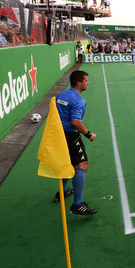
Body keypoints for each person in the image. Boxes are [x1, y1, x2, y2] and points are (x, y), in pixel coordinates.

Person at [55, 70, 97, 215]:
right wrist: (89, 134)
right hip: (70, 136)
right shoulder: (78, 100)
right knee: (81, 165)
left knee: (67, 163)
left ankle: (62, 192)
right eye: (86, 81)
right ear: (79, 83)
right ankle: (78, 204)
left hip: (58, 135)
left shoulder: (61, 95)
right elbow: (75, 122)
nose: (88, 83)